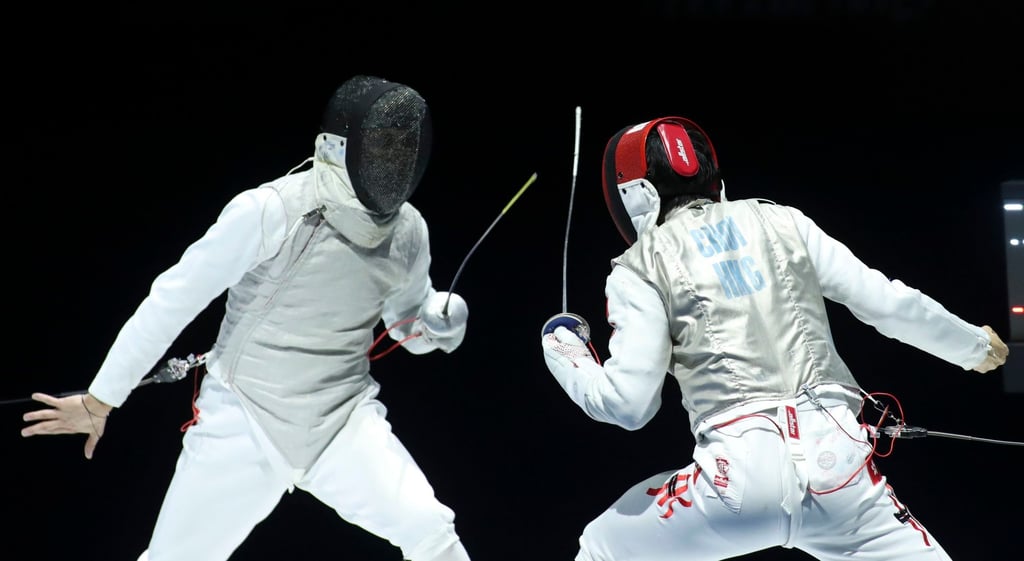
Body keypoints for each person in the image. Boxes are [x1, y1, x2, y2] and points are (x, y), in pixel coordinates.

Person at [21, 75, 475, 561]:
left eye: (406, 146)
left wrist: (437, 325)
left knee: (430, 530)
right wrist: (101, 399)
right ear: (342, 145)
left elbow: (406, 328)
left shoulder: (408, 230)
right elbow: (171, 300)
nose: (396, 159)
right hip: (242, 418)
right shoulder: (275, 209)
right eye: (384, 142)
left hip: (341, 421)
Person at [539, 115, 1009, 561]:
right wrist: (971, 345)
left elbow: (629, 405)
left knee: (605, 545)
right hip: (841, 474)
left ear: (634, 196)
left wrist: (564, 349)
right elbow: (884, 302)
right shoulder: (782, 220)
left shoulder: (639, 266)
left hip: (734, 485)